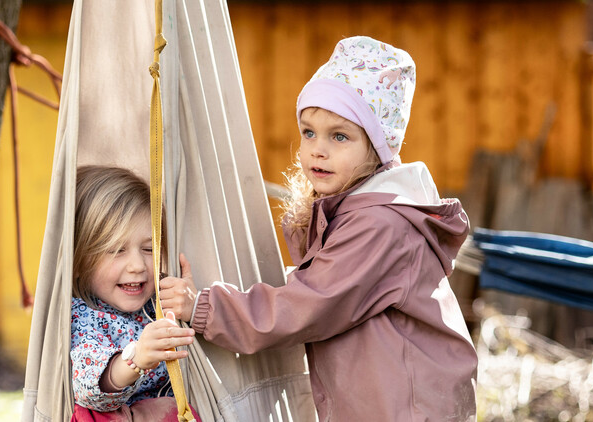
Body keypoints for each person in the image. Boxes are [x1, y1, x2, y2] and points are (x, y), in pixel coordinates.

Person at [159, 36, 478, 421]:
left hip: (406, 409)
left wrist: (204, 307)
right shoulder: (350, 210)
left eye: (339, 136)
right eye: (309, 132)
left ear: (378, 146)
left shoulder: (381, 225)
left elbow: (310, 304)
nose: (317, 149)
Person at [69, 165, 196, 421]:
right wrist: (136, 359)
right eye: (117, 250)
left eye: (149, 249)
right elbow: (87, 387)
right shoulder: (83, 315)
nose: (138, 266)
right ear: (79, 261)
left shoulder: (159, 300)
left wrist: (192, 305)